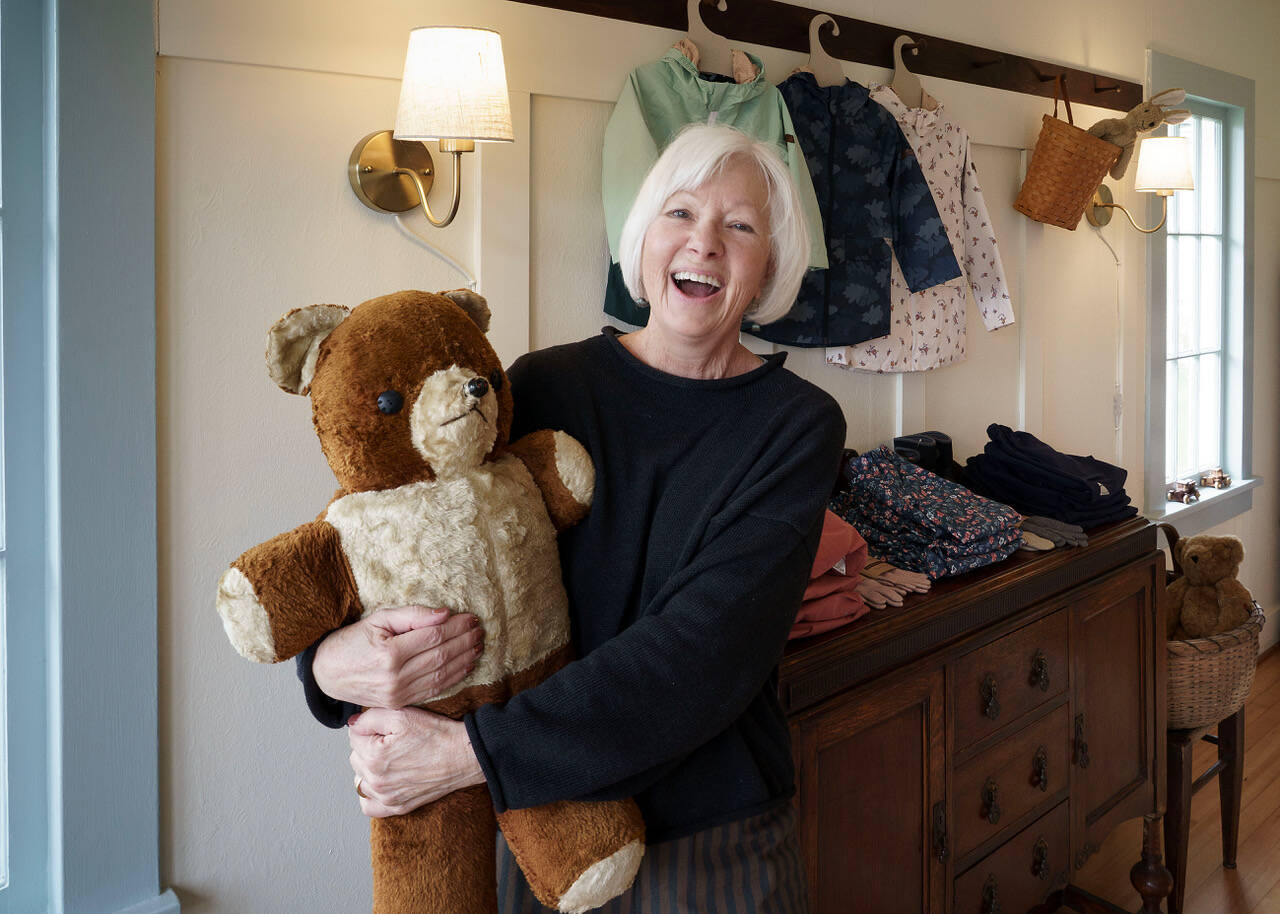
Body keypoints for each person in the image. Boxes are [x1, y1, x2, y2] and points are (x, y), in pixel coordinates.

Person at [298, 123, 846, 912]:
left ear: (767, 270)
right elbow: (402, 534)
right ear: (643, 238)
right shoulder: (541, 385)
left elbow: (705, 652)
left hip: (707, 835)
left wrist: (466, 753)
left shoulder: (797, 425)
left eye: (741, 226)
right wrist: (327, 663)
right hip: (537, 818)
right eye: (681, 214)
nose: (706, 244)